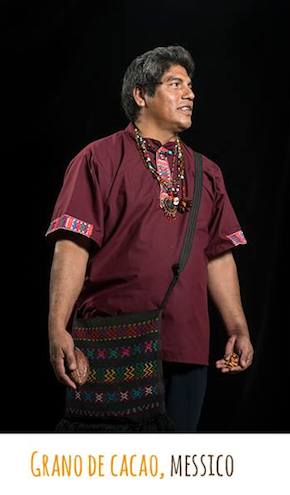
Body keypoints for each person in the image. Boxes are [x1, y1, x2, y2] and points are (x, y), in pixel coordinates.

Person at [46, 45, 254, 432]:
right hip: (114, 341)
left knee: (173, 463)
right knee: (110, 461)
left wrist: (238, 328)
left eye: (190, 85)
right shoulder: (98, 159)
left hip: (187, 345)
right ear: (141, 95)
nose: (190, 94)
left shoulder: (207, 173)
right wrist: (57, 326)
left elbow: (218, 256)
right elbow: (73, 245)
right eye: (176, 84)